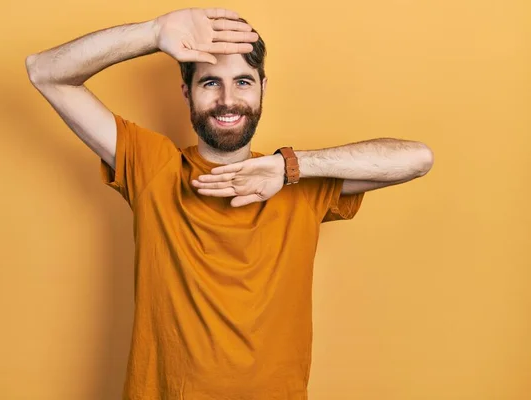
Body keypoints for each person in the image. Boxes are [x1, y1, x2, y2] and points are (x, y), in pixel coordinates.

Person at [26, 7, 434, 399]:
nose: (227, 99)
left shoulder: (300, 182)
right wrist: (151, 34)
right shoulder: (154, 167)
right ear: (186, 93)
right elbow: (45, 72)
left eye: (242, 81)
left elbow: (417, 159)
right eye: (210, 83)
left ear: (262, 89)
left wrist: (290, 166)